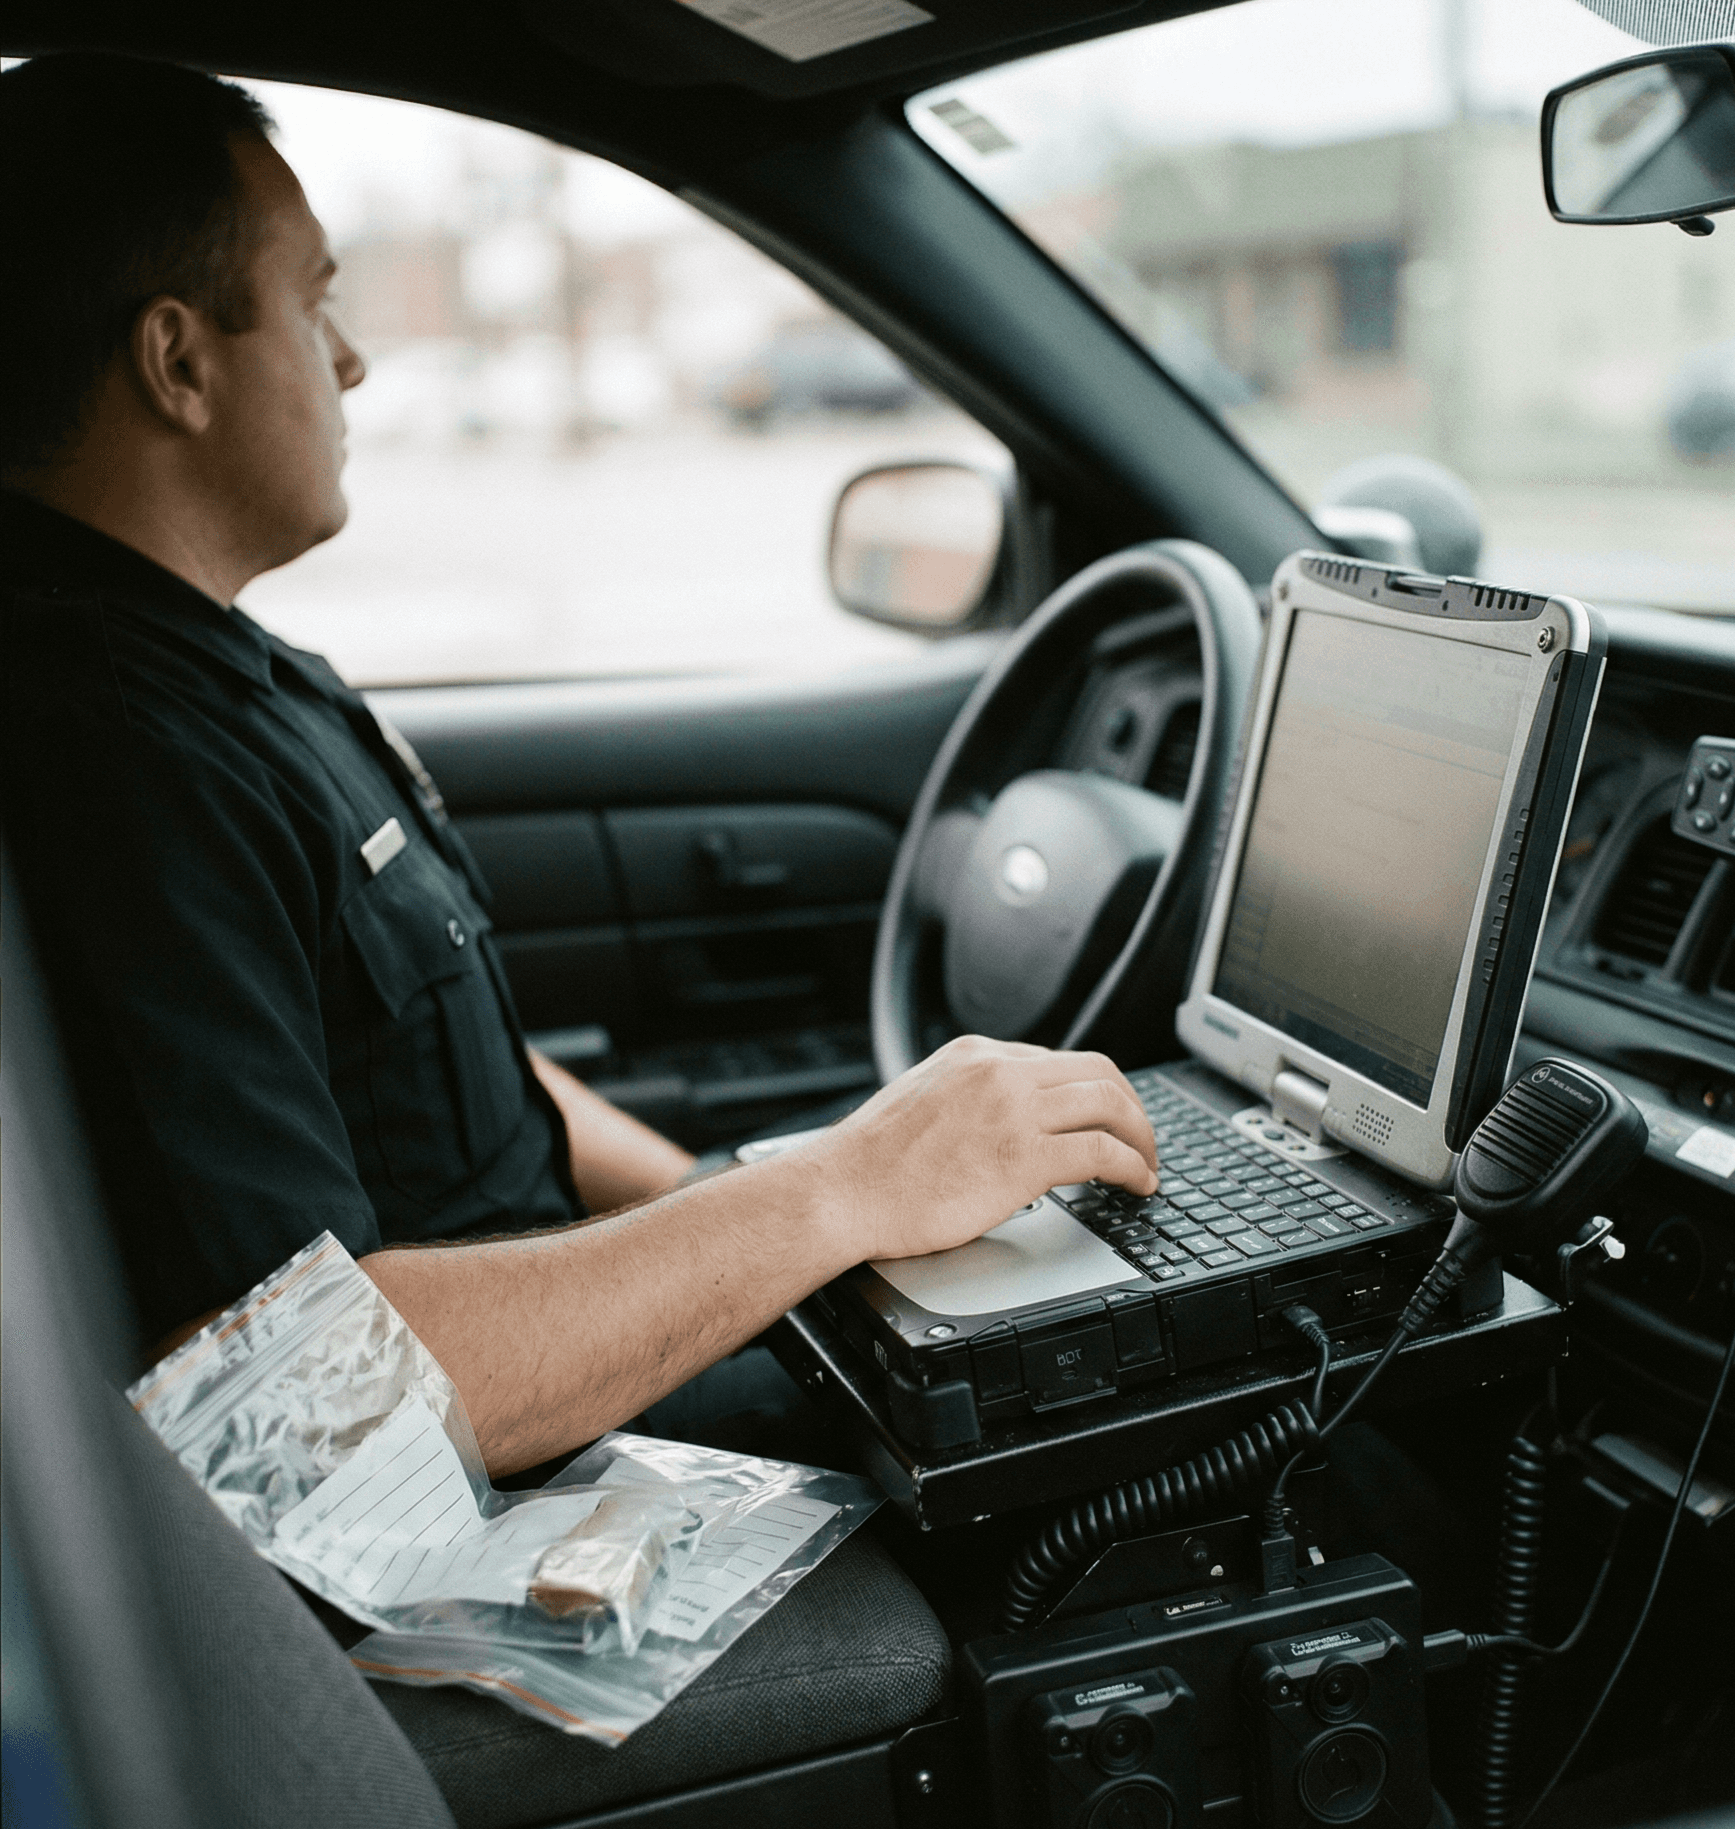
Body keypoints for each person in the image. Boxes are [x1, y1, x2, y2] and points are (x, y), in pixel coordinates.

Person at [0, 53, 1158, 1478]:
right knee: (1140, 1421)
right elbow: (295, 1397)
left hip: (532, 1357)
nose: (350, 359)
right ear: (179, 362)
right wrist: (831, 1197)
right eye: (313, 301)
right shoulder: (110, 758)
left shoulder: (209, 665)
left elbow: (443, 1073)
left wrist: (753, 1217)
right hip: (464, 1500)